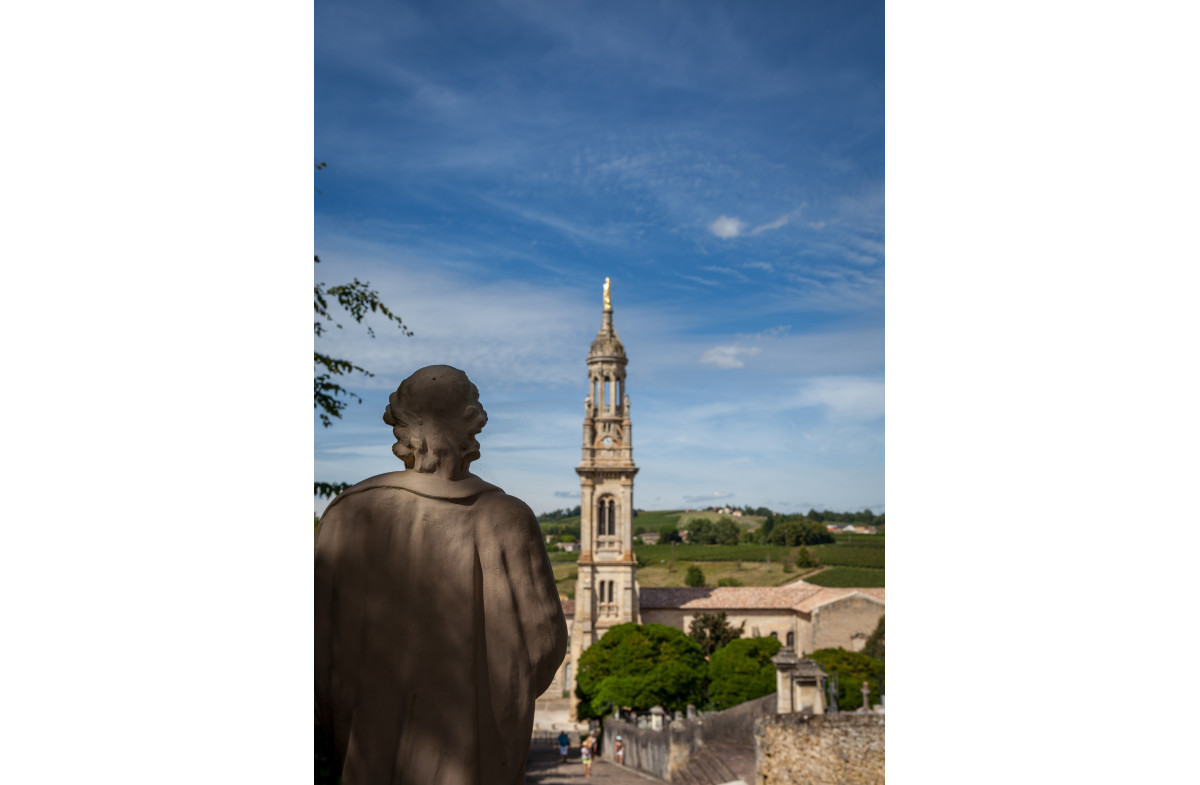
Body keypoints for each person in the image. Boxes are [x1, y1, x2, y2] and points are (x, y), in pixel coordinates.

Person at [315, 366, 569, 785]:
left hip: (369, 747)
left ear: (401, 423)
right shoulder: (509, 518)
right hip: (472, 753)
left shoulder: (347, 514)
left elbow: (319, 653)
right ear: (472, 422)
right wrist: (490, 706)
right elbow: (543, 646)